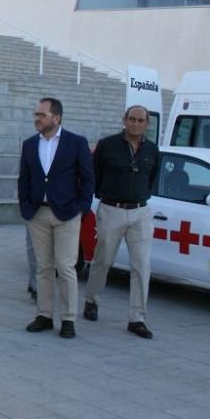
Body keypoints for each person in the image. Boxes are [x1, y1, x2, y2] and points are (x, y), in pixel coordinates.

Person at [18, 97, 94, 338]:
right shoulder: (30, 144)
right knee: (43, 267)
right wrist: (25, 207)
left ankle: (69, 318)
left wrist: (81, 207)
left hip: (67, 213)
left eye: (41, 114)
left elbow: (88, 178)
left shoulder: (76, 143)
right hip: (37, 214)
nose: (37, 119)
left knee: (66, 267)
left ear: (56, 117)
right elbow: (25, 178)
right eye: (36, 115)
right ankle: (44, 315)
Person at [83, 105, 160, 339]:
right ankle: (91, 301)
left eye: (141, 120)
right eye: (132, 119)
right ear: (124, 120)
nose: (136, 124)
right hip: (111, 209)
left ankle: (137, 318)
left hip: (140, 212)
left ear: (147, 124)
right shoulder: (108, 145)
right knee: (103, 260)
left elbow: (152, 179)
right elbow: (94, 174)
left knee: (142, 266)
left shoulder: (152, 150)